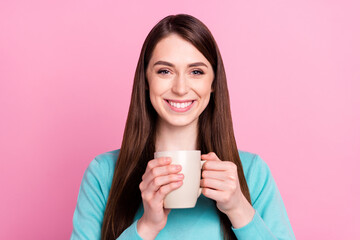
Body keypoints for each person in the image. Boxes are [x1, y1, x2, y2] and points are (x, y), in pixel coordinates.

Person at [70, 14, 295, 240]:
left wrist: (238, 208)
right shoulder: (103, 173)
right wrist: (147, 226)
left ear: (214, 82)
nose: (180, 88)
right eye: (164, 71)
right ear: (146, 80)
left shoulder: (252, 173)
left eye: (196, 72)